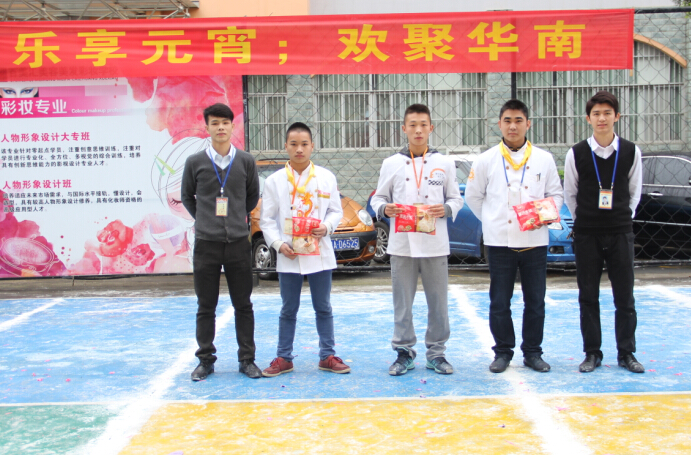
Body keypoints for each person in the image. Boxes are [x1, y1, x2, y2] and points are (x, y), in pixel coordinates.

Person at [465, 99, 563, 374]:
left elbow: (556, 194)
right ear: (499, 124)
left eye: (518, 120)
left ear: (528, 124)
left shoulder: (543, 158)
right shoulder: (485, 160)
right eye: (507, 120)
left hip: (535, 240)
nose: (512, 126)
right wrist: (493, 219)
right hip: (499, 242)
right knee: (499, 302)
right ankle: (503, 352)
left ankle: (532, 352)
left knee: (536, 302)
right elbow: (473, 196)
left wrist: (542, 215)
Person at [371, 104, 463, 376]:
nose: (418, 130)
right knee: (402, 302)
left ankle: (437, 353)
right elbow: (378, 197)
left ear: (431, 128)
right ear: (404, 128)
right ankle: (404, 352)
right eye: (413, 125)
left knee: (439, 302)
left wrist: (445, 209)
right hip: (402, 244)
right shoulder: (391, 164)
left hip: (435, 244)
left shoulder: (444, 163)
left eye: (423, 124)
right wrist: (384, 208)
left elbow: (456, 199)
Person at [259, 122, 351, 377]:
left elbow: (335, 211)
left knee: (323, 306)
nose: (299, 149)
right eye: (294, 144)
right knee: (288, 308)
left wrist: (326, 226)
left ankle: (327, 355)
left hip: (318, 251)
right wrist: (278, 245)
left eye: (304, 144)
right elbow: (267, 220)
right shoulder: (274, 181)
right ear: (286, 146)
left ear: (312, 146)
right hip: (289, 253)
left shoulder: (326, 177)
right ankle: (284, 357)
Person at [564, 90, 644, 374]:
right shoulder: (576, 153)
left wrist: (621, 217)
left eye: (607, 113)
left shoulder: (631, 151)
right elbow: (570, 194)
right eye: (596, 114)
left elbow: (634, 193)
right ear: (588, 119)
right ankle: (592, 352)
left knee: (625, 296)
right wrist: (585, 220)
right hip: (587, 234)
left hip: (620, 232)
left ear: (617, 116)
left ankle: (626, 352)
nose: (602, 118)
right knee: (588, 296)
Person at [181, 103, 262, 380]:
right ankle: (205, 360)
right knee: (206, 306)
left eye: (225, 123)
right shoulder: (195, 162)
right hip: (207, 244)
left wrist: (235, 217)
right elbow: (187, 197)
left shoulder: (246, 161)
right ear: (207, 127)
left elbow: (251, 197)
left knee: (243, 304)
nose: (220, 128)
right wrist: (206, 219)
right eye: (215, 123)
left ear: (232, 126)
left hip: (238, 243)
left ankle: (247, 359)